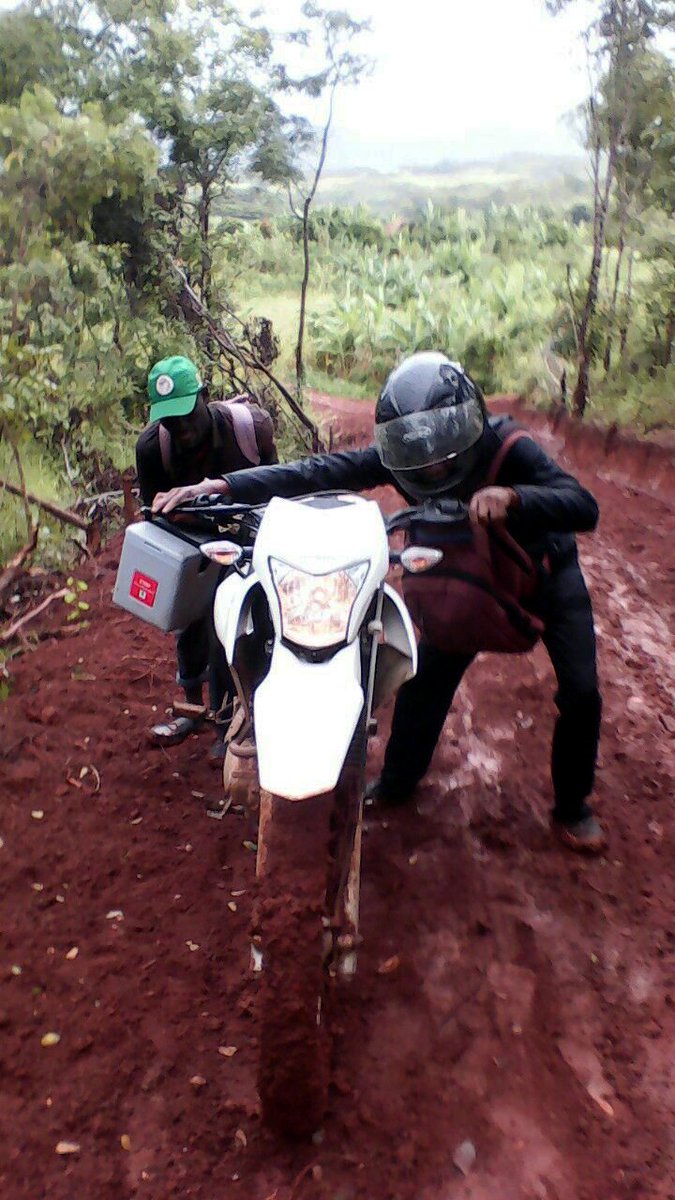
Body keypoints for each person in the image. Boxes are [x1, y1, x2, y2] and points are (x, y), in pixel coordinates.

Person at [152, 352, 605, 853]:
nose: (431, 461)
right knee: (425, 677)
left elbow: (583, 506)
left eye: (443, 449)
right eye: (418, 451)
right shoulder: (402, 457)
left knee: (581, 691)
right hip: (468, 580)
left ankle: (573, 806)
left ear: (468, 424)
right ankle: (396, 781)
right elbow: (320, 472)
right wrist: (224, 484)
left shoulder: (508, 445)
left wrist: (517, 498)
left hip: (544, 573)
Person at [136, 354, 277, 752]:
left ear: (204, 396)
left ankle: (230, 716)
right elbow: (151, 514)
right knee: (189, 618)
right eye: (169, 420)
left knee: (235, 621)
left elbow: (276, 486)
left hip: (245, 531)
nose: (180, 429)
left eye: (185, 415)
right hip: (190, 536)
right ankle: (191, 706)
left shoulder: (251, 429)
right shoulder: (152, 448)